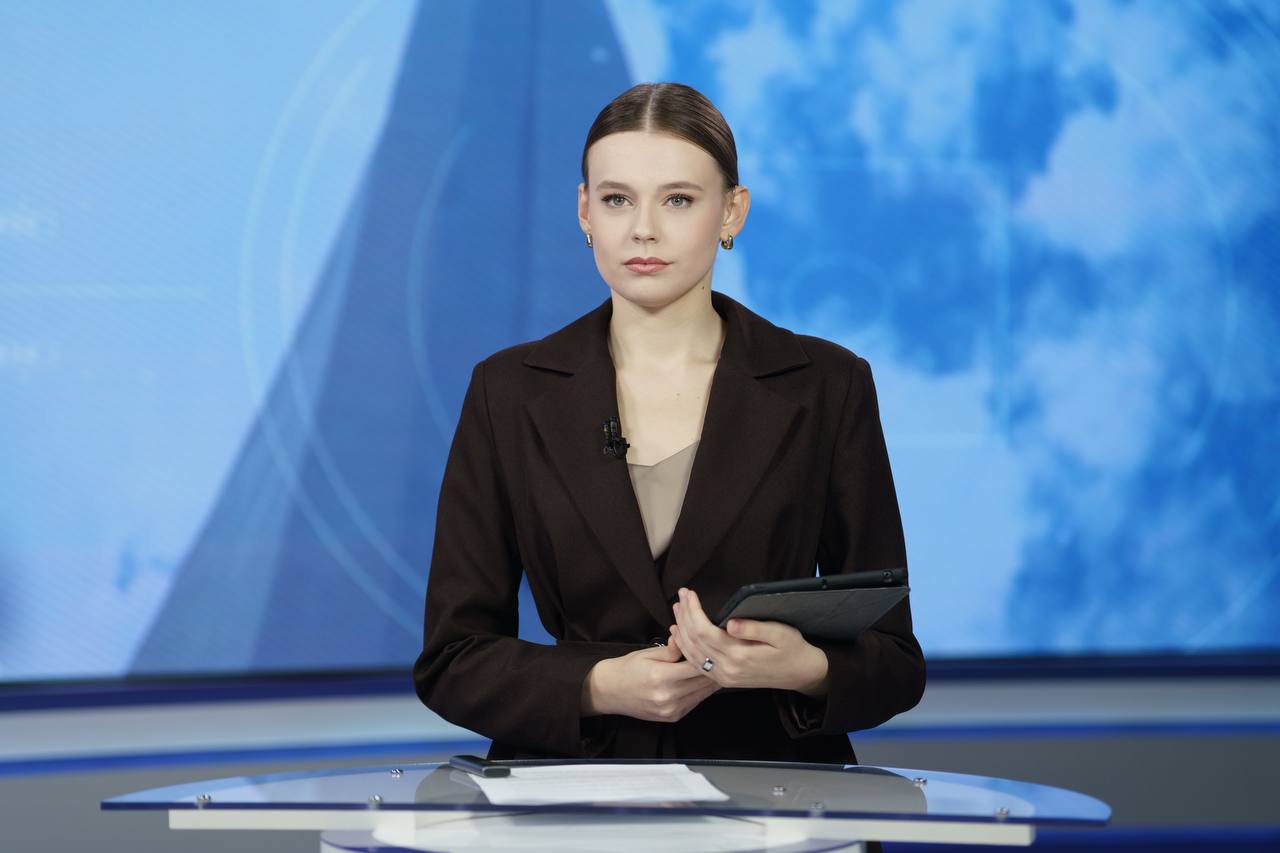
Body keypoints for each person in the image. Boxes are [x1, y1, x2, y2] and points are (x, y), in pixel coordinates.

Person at [413, 82, 924, 766]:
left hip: (772, 788)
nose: (643, 229)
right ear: (584, 210)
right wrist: (597, 685)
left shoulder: (827, 385)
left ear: (732, 211)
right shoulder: (506, 392)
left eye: (678, 199)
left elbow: (895, 660)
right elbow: (452, 658)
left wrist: (804, 668)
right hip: (571, 796)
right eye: (617, 199)